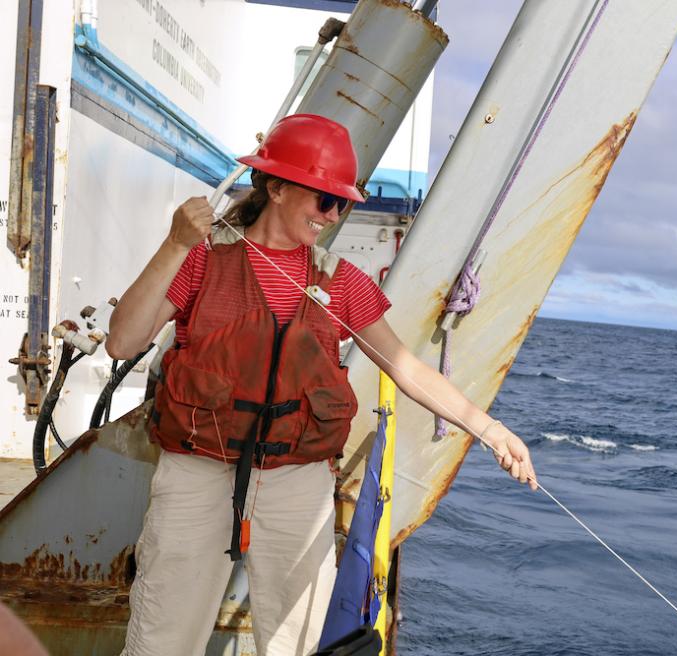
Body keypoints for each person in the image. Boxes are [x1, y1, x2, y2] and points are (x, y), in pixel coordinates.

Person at [106, 114, 537, 656]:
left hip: (297, 482)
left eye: (343, 204)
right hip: (198, 469)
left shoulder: (343, 280)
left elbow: (406, 367)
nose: (332, 215)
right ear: (276, 187)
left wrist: (490, 429)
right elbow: (122, 342)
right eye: (322, 199)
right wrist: (172, 245)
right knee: (162, 637)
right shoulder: (199, 258)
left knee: (299, 642)